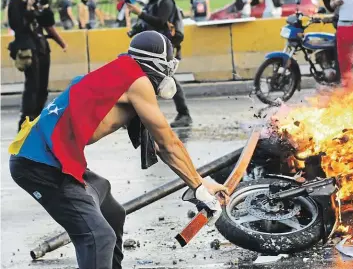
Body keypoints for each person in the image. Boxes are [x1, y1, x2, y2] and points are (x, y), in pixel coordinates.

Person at [8, 30, 228, 269]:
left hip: (46, 155)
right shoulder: (138, 82)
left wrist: (199, 182)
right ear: (156, 65)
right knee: (98, 237)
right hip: (37, 163)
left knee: (111, 212)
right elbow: (168, 144)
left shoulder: (123, 73)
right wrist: (199, 191)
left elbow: (162, 146)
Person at [126, 0, 193, 128]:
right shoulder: (151, 4)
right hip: (153, 48)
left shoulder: (166, 1)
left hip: (166, 45)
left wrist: (140, 13)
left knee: (167, 78)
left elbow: (160, 22)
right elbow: (148, 24)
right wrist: (135, 30)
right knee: (145, 78)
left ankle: (184, 114)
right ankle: (139, 116)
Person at [8, 0, 67, 131]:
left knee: (42, 87)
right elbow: (17, 25)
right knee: (32, 86)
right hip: (28, 49)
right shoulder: (15, 3)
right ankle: (26, 121)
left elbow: (49, 21)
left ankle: (38, 118)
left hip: (42, 48)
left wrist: (44, 7)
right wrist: (28, 7)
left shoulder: (38, 4)